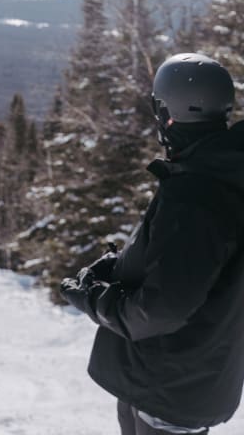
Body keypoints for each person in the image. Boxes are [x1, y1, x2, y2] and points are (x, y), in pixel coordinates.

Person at [60, 52, 244, 435]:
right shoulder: (212, 171)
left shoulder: (199, 194)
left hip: (172, 386)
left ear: (168, 113)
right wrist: (118, 265)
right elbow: (189, 265)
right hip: (169, 378)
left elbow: (163, 309)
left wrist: (95, 301)